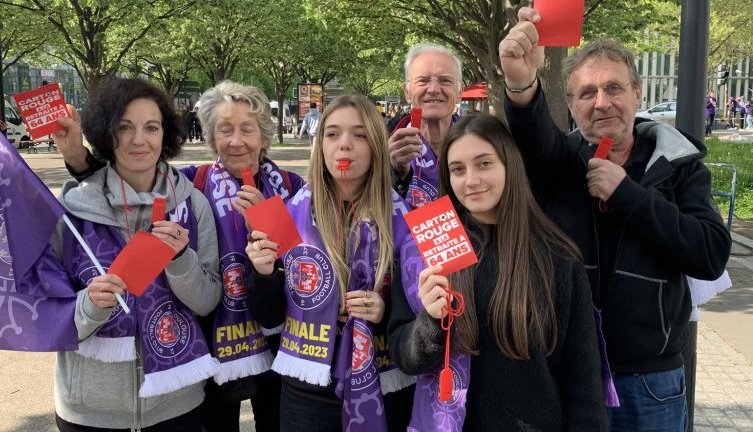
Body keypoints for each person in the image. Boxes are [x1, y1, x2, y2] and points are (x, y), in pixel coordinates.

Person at [499, 8, 731, 431]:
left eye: (613, 88)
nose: (601, 102)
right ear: (570, 105)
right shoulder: (562, 162)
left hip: (651, 381)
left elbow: (709, 254)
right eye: (586, 93)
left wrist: (628, 194)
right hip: (572, 372)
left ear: (638, 95)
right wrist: (520, 83)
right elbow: (533, 139)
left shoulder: (680, 167)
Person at [58, 80, 305, 432]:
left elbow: (303, 263)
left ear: (264, 136)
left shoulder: (292, 187)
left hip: (279, 342)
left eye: (247, 130)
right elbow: (131, 177)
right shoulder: (193, 183)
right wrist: (78, 160)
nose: (236, 141)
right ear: (211, 138)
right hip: (213, 346)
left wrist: (268, 219)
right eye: (225, 130)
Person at [388, 113, 608, 431]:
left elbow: (583, 384)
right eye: (457, 169)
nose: (471, 180)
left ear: (509, 164)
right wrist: (431, 322)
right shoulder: (427, 248)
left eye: (484, 163)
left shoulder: (556, 258)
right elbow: (404, 357)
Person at [51, 77, 222, 431]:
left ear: (166, 135)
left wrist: (179, 260)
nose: (139, 140)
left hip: (178, 405)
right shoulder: (70, 211)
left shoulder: (193, 204)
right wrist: (89, 305)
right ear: (106, 134)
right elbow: (47, 310)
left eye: (151, 127)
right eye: (124, 127)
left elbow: (208, 302)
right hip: (89, 410)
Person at [246, 94, 417, 431]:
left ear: (376, 146)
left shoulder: (404, 217)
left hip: (383, 384)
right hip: (306, 390)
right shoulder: (287, 215)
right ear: (320, 144)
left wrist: (385, 311)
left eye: (360, 135)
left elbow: (418, 310)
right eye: (333, 134)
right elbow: (268, 316)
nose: (345, 146)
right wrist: (262, 275)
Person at [389, 43, 462, 209]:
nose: (434, 89)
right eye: (423, 80)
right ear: (407, 92)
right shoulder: (381, 142)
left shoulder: (478, 142)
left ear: (459, 92)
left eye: (445, 80)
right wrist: (394, 171)